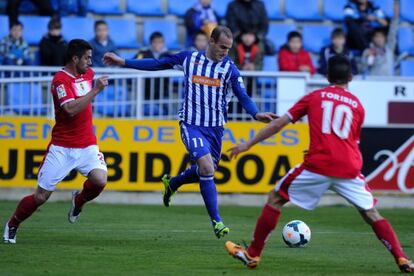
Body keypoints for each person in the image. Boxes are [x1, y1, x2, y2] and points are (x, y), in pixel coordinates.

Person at [224, 55, 414, 273]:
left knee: (275, 199)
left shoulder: (314, 97)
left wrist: (247, 144)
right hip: (349, 168)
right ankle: (402, 258)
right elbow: (352, 142)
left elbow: (278, 124)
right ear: (350, 77)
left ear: (327, 76)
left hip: (318, 164)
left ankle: (253, 254)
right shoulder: (358, 107)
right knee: (371, 214)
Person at [103, 26, 277, 239]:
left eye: (229, 48)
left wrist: (255, 113)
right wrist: (123, 62)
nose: (225, 51)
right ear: (211, 41)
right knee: (205, 165)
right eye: (222, 47)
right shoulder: (189, 59)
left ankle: (173, 183)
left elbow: (243, 95)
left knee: (207, 169)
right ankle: (217, 221)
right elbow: (157, 64)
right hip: (191, 124)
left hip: (215, 129)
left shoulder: (229, 69)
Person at [3, 39, 109, 244]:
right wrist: (95, 91)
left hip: (87, 144)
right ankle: (13, 223)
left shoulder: (88, 74)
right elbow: (69, 110)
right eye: (86, 58)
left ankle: (79, 200)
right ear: (74, 58)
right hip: (62, 147)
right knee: (41, 197)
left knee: (100, 180)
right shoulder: (60, 81)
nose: (90, 62)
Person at [361, 0, 399, 76]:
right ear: (373, 39)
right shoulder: (368, 51)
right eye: (376, 37)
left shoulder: (389, 48)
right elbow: (363, 69)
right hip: (374, 83)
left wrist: (396, 15)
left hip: (389, 82)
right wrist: (368, 57)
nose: (379, 39)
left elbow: (393, 31)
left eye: (381, 37)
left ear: (385, 38)